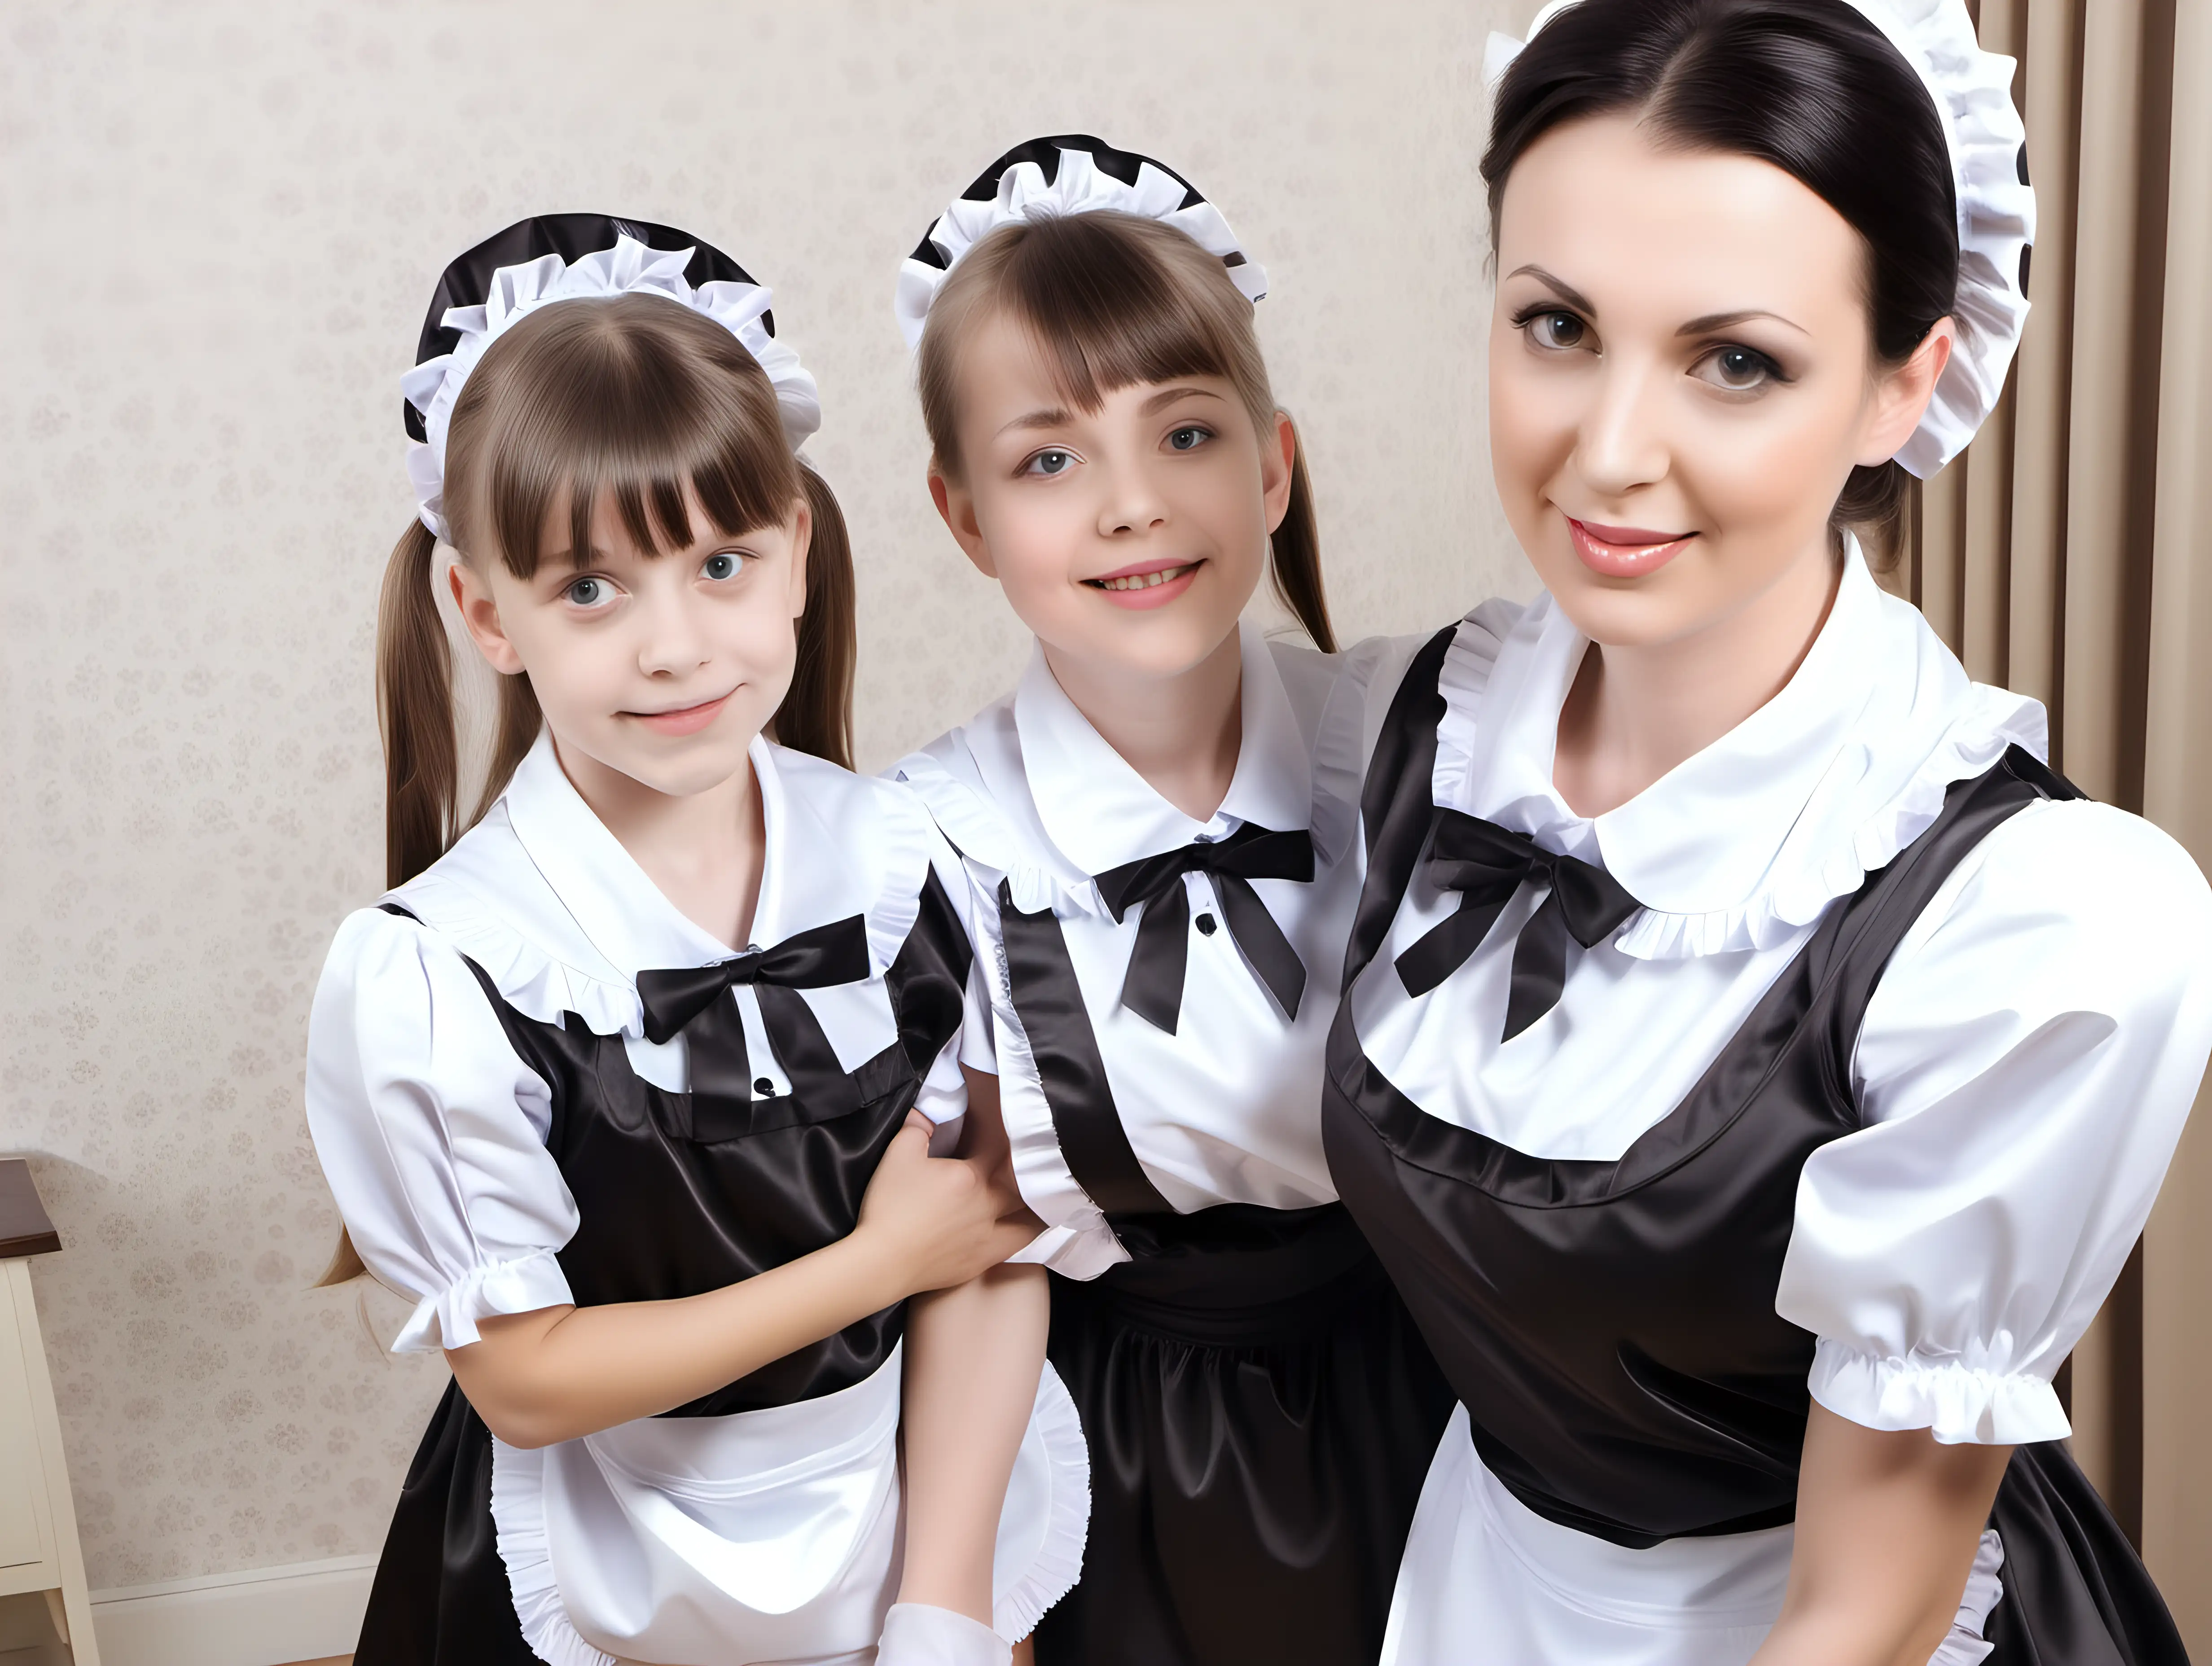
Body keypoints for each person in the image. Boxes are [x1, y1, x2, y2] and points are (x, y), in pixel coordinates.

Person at [1320, 4, 2212, 1662]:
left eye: (1736, 361)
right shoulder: (1429, 725)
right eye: (1558, 326)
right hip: (1476, 1588)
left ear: (1903, 386)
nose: (1608, 452)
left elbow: (1865, 1611)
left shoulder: (2036, 930)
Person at [306, 215, 1086, 1666]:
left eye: (721, 563)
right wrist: (871, 1266)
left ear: (796, 550)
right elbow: (528, 1383)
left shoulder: (923, 865)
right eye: (590, 588)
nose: (673, 646)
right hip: (583, 1575)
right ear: (485, 611)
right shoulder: (442, 967)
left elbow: (985, 1254)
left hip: (902, 1532)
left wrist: (949, 1612)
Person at [891, 139, 1455, 1666]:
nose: (1133, 505)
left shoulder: (1425, 746)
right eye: (1052, 459)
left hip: (1454, 1406)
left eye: (1185, 432)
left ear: (1274, 462)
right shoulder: (935, 842)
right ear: (966, 518)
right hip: (1124, 1449)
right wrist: (946, 1610)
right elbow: (984, 1247)